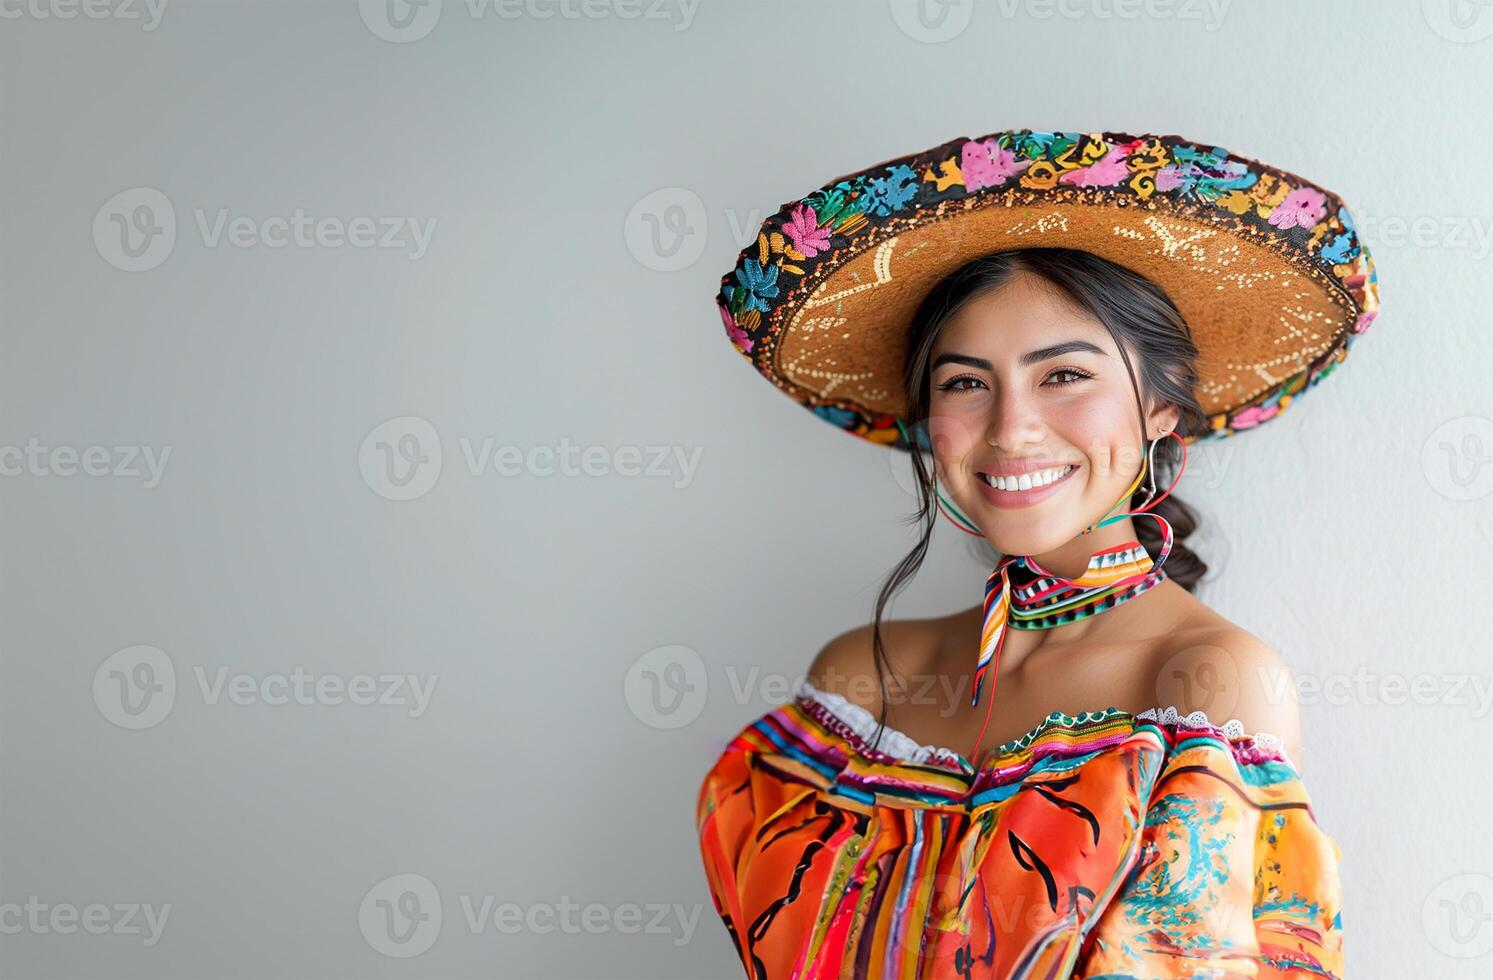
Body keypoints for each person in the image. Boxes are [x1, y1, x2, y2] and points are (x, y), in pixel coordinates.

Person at [696, 129, 1379, 978]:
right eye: (964, 383)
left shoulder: (1207, 684)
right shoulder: (858, 681)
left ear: (1162, 408)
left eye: (1062, 376)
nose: (1010, 428)